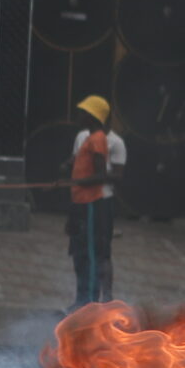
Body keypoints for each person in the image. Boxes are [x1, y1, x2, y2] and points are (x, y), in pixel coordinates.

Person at [67, 94, 123, 308]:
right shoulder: (89, 137)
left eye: (83, 112)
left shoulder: (98, 139)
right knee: (80, 252)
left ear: (93, 116)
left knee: (90, 253)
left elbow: (101, 175)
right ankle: (81, 299)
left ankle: (89, 303)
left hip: (92, 203)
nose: (79, 115)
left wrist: (78, 181)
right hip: (81, 201)